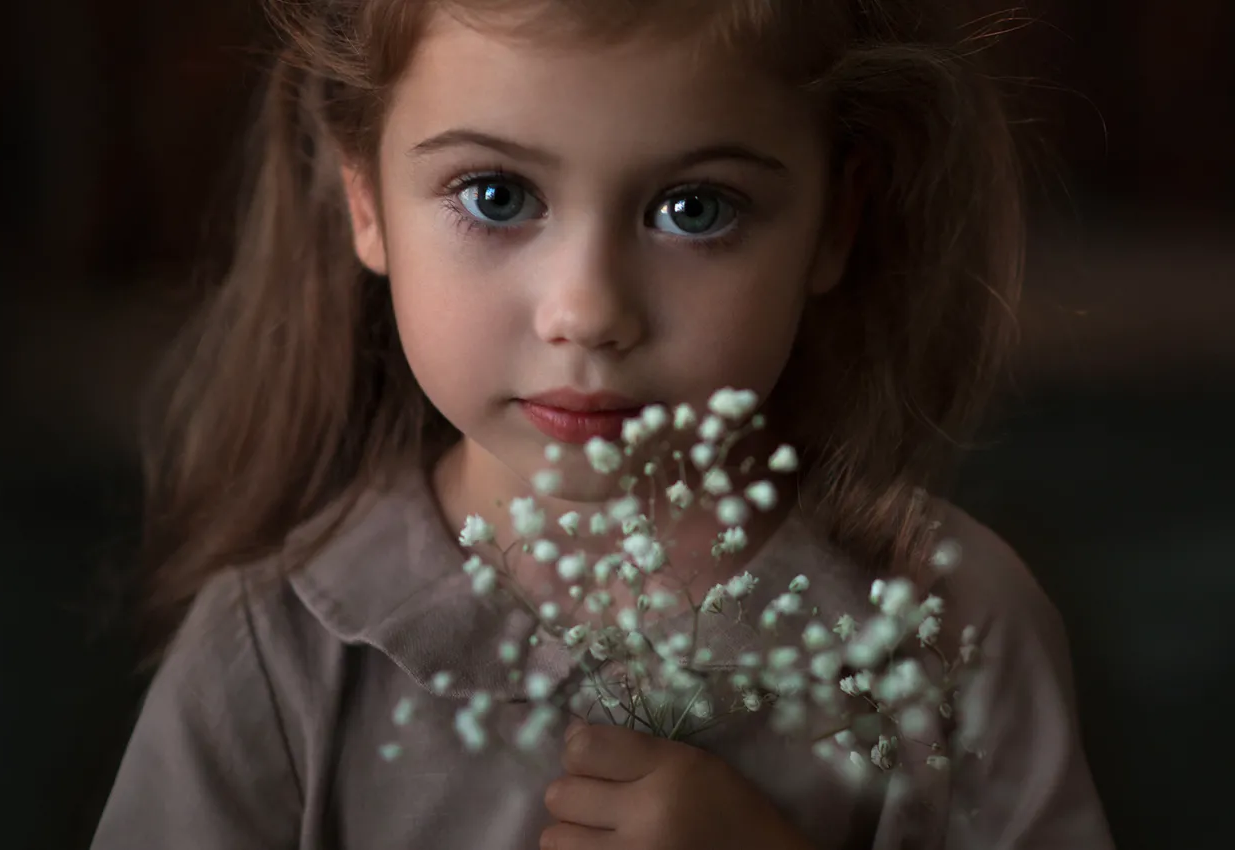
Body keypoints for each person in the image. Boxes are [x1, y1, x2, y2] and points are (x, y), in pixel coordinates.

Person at [93, 1, 1115, 848]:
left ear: (832, 224)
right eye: (496, 196)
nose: (586, 311)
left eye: (695, 210)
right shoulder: (270, 660)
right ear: (366, 199)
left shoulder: (951, 633)